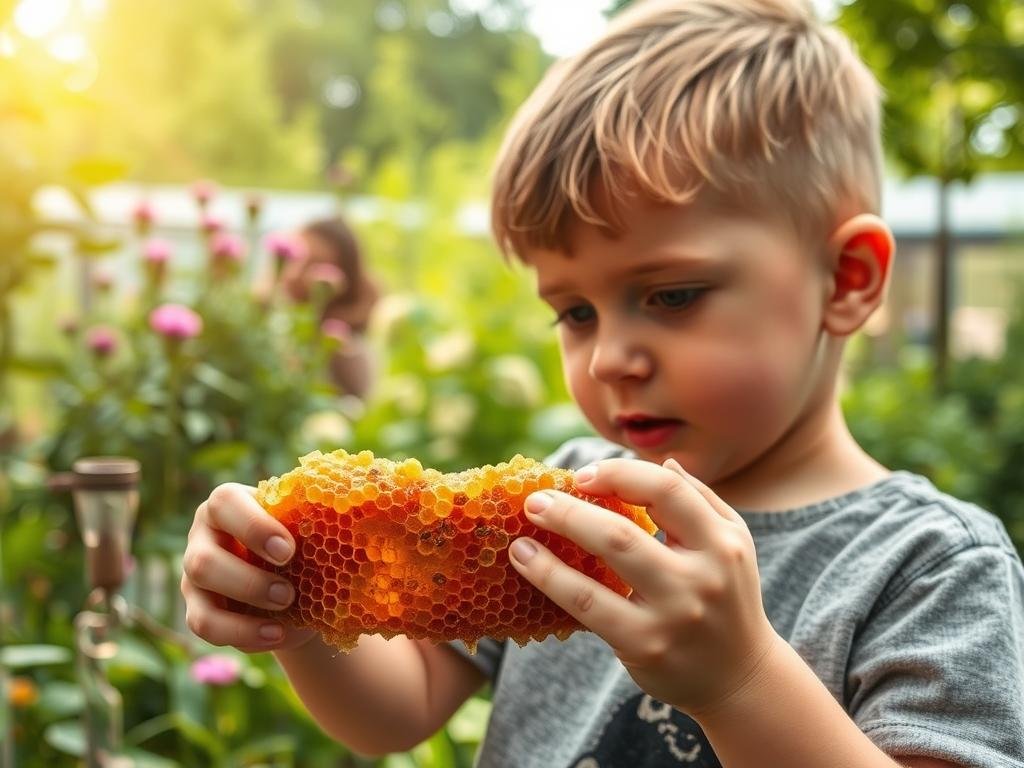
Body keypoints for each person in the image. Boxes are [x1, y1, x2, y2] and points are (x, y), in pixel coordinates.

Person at [180, 1, 1024, 766]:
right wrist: (295, 603)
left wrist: (741, 681)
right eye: (574, 313)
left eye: (671, 296)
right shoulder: (572, 502)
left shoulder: (931, 568)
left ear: (845, 281)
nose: (610, 356)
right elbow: (396, 713)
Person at [279, 215, 381, 400]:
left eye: (314, 264)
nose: (295, 273)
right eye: (294, 258)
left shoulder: (347, 349)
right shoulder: (274, 322)